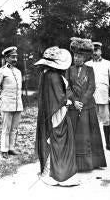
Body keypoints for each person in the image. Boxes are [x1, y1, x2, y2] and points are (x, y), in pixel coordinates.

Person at [34, 46, 79, 186]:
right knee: (61, 140)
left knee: (54, 140)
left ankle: (50, 172)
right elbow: (59, 97)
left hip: (51, 112)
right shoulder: (53, 76)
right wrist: (68, 101)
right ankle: (60, 176)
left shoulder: (47, 74)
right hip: (56, 113)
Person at [66, 37, 107, 172]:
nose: (76, 58)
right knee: (75, 135)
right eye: (75, 55)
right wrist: (73, 101)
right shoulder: (69, 70)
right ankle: (75, 163)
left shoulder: (89, 70)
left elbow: (91, 87)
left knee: (88, 134)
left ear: (84, 57)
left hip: (87, 106)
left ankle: (91, 163)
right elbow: (67, 87)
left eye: (79, 56)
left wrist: (81, 102)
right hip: (73, 107)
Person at [0, 46, 23, 159]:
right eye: (12, 57)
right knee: (6, 128)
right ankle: (4, 150)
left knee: (14, 128)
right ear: (7, 58)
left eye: (16, 57)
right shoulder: (1, 71)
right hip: (6, 104)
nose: (15, 59)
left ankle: (11, 148)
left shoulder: (18, 72)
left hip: (18, 104)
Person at [85, 42, 110, 152]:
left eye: (97, 50)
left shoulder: (108, 63)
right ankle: (93, 146)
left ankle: (108, 144)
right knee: (91, 122)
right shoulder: (87, 64)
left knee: (106, 121)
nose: (95, 52)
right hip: (91, 98)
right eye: (93, 50)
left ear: (101, 51)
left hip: (104, 97)